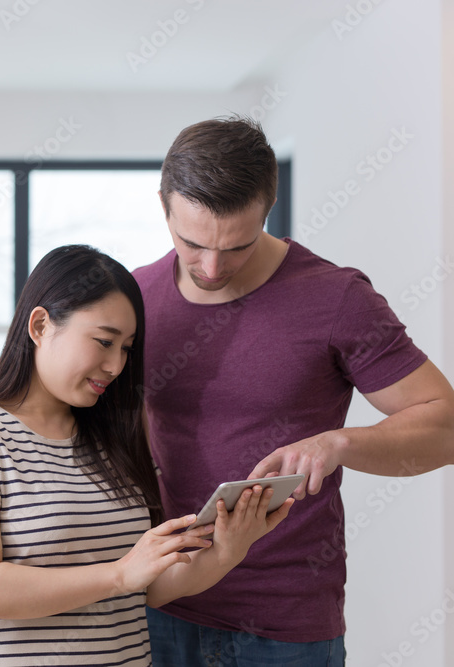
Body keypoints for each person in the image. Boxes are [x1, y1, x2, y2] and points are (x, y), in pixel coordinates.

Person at [133, 117, 454, 665]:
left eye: (237, 245)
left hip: (285, 623)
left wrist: (338, 444)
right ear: (163, 204)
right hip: (160, 601)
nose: (211, 267)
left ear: (268, 209)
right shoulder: (134, 295)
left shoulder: (337, 297)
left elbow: (445, 425)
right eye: (191, 243)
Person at [0, 244, 293, 666]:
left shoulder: (111, 440)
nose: (116, 365)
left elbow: (147, 586)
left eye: (127, 348)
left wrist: (227, 551)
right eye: (104, 341)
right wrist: (119, 574)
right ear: (41, 325)